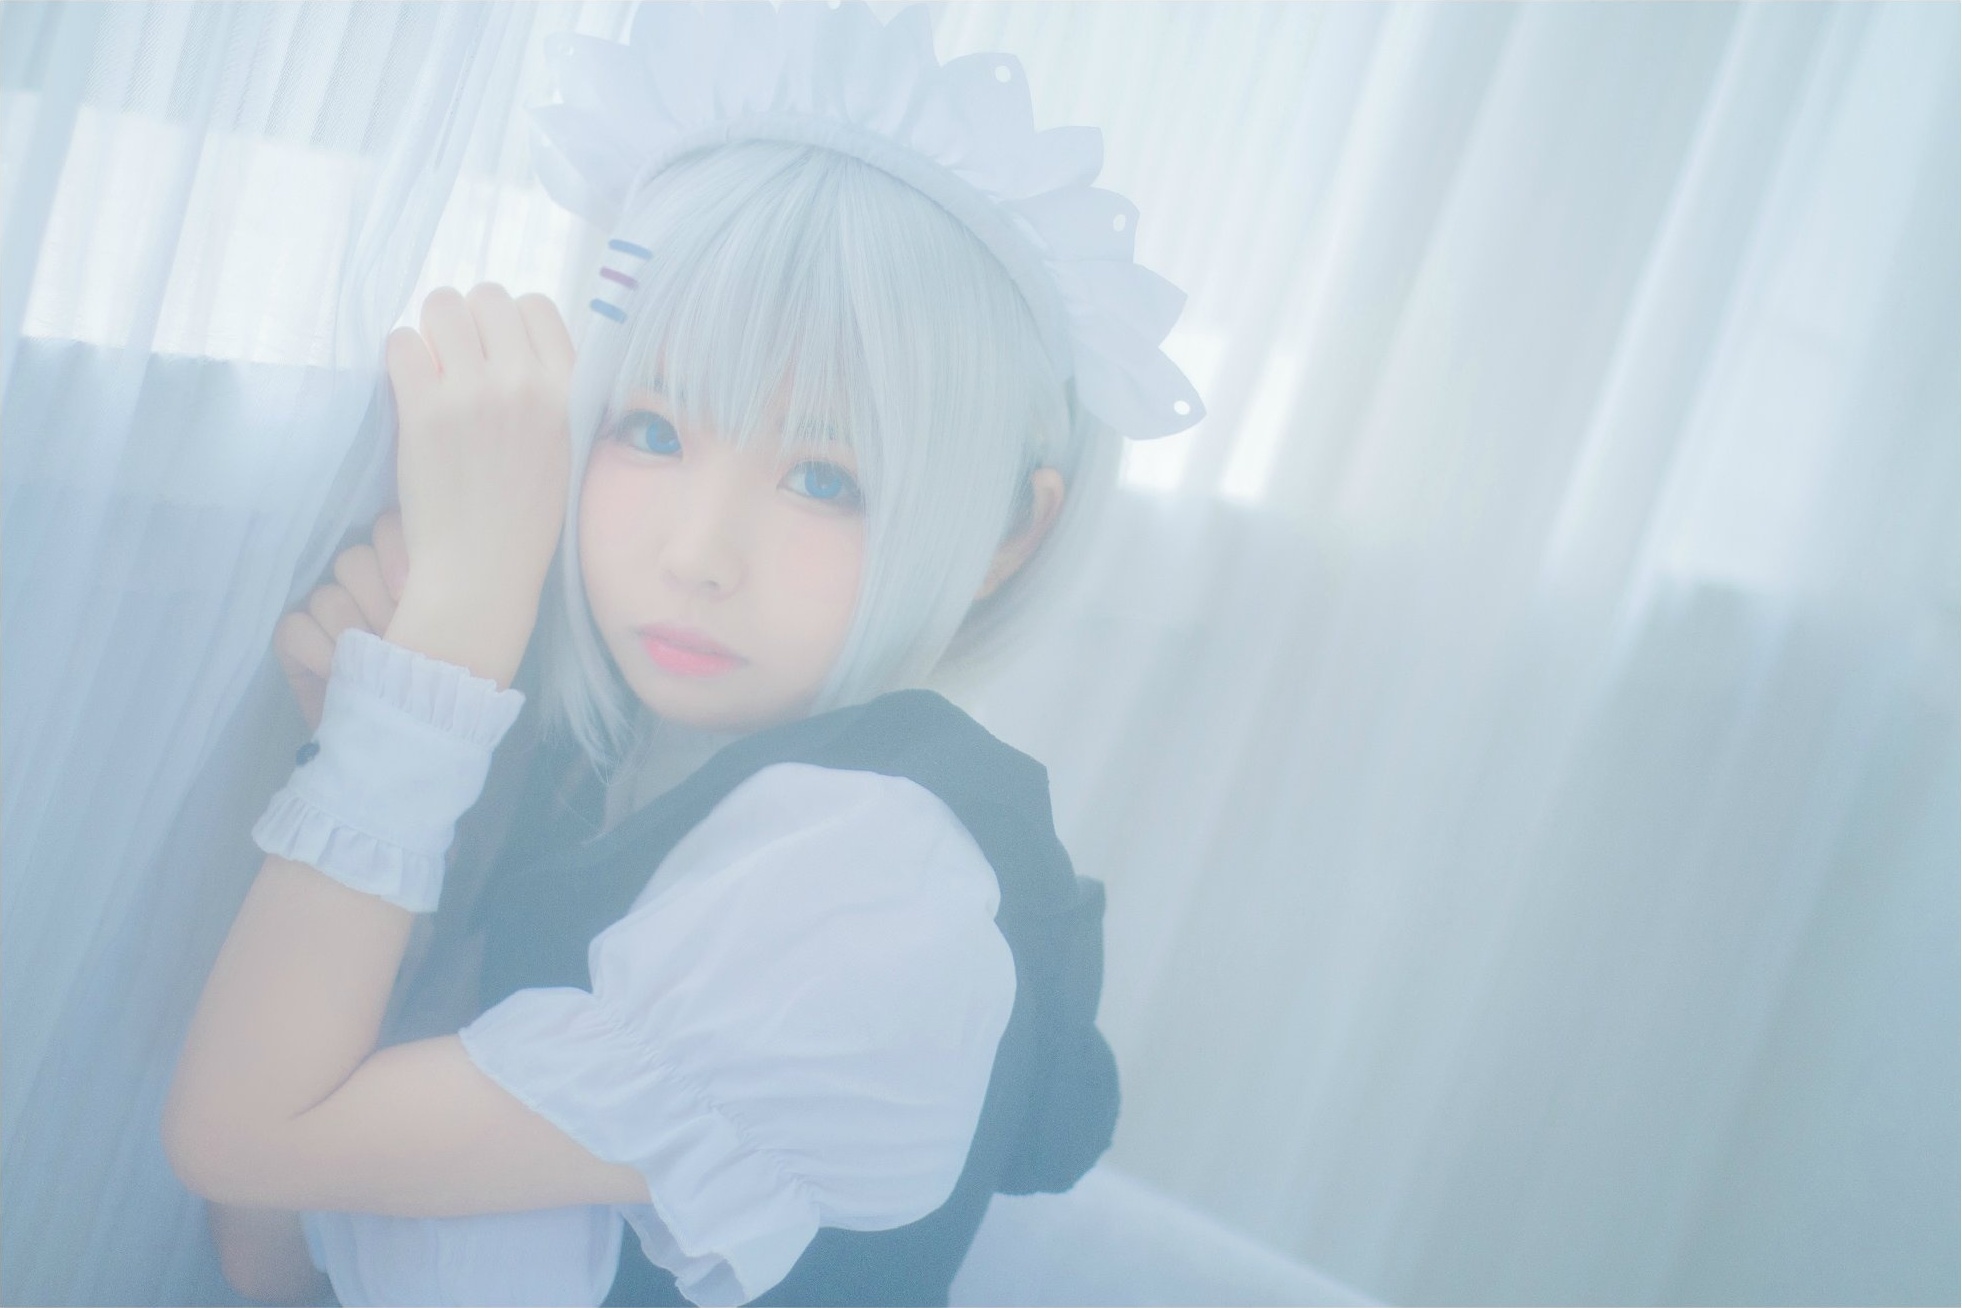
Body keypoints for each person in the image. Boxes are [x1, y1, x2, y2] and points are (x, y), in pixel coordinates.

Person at [162, 4, 1202, 1305]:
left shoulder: (873, 889)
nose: (699, 554)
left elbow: (239, 1139)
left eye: (824, 478)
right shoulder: (609, 782)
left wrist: (440, 661)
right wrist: (390, 772)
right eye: (650, 428)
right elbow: (277, 1259)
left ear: (1006, 531)